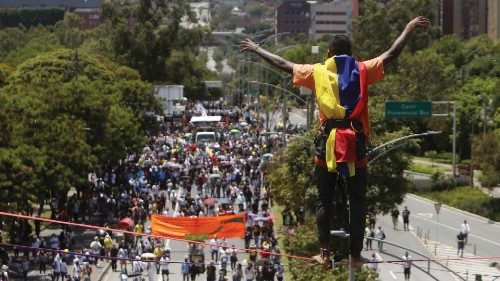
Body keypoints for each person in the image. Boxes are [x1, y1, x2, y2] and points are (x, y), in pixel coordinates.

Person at [240, 16, 430, 268]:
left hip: (327, 143)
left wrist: (257, 49)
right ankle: (354, 256)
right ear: (352, 54)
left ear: (329, 53)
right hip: (356, 143)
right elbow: (391, 53)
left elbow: (282, 63)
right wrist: (408, 27)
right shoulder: (363, 68)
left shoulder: (317, 71)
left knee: (324, 199)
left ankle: (324, 252)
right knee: (358, 201)